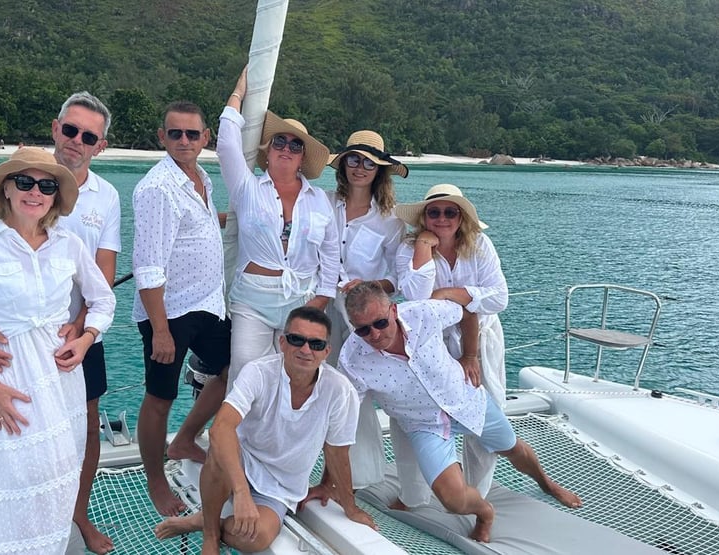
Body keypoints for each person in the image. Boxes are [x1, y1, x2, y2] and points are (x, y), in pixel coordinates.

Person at [0, 147, 116, 553]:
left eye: (46, 185)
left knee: (56, 475)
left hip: (62, 382)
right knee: (10, 476)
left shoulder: (70, 245)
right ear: (6, 189)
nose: (34, 192)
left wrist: (85, 338)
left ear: (55, 196)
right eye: (24, 181)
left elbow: (103, 300)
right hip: (8, 381)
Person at [0, 91, 122, 554]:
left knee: (84, 426)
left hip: (76, 336)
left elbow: (102, 274)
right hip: (21, 341)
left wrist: (81, 329)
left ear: (100, 146)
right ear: (55, 128)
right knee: (20, 426)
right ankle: (21, 523)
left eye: (88, 136)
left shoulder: (107, 197)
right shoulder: (23, 182)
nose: (76, 141)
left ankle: (76, 515)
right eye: (70, 130)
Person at [339, 281, 580, 543]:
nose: (374, 335)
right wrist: (334, 483)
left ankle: (546, 483)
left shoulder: (423, 313)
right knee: (452, 499)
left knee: (512, 448)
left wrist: (470, 355)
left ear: (394, 311)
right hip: (424, 424)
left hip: (465, 399)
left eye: (380, 323)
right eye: (362, 329)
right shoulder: (352, 359)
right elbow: (344, 421)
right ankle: (485, 512)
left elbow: (467, 311)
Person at [153, 307, 375, 555]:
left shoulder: (340, 390)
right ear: (282, 342)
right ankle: (210, 535)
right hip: (241, 464)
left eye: (315, 344)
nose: (305, 349)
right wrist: (241, 492)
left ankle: (202, 520)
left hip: (281, 486)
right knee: (221, 446)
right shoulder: (258, 372)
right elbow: (221, 427)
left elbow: (337, 451)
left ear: (326, 351)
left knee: (255, 539)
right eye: (296, 339)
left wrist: (347, 504)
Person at [132, 101, 233, 516]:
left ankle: (186, 438)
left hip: (208, 304)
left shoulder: (200, 178)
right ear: (162, 137)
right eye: (176, 134)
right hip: (169, 312)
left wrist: (239, 220)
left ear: (206, 138)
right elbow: (148, 265)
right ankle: (156, 480)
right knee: (160, 398)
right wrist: (159, 330)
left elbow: (198, 229)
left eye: (193, 134)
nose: (185, 141)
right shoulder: (157, 189)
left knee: (233, 372)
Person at [217, 68, 340, 389]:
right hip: (252, 299)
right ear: (267, 152)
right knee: (245, 373)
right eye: (279, 141)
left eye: (295, 145)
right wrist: (238, 93)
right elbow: (227, 144)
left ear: (302, 158)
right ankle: (239, 439)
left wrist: (321, 300)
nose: (286, 147)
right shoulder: (247, 189)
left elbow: (330, 256)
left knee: (292, 380)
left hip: (302, 298)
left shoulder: (320, 202)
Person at [394, 183, 508, 502]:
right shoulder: (408, 249)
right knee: (419, 413)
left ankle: (477, 492)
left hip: (482, 339)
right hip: (431, 342)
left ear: (461, 218)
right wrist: (423, 249)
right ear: (423, 217)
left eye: (450, 212)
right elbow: (416, 296)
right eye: (434, 212)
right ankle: (414, 495)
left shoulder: (480, 245)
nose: (442, 218)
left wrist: (449, 295)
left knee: (485, 410)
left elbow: (500, 297)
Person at [324, 130, 409, 488]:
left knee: (355, 393)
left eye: (369, 162)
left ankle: (358, 477)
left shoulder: (391, 221)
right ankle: (329, 474)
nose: (360, 168)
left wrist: (369, 287)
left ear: (380, 170)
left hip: (362, 317)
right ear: (343, 165)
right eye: (354, 160)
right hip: (321, 306)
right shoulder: (322, 203)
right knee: (325, 389)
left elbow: (401, 278)